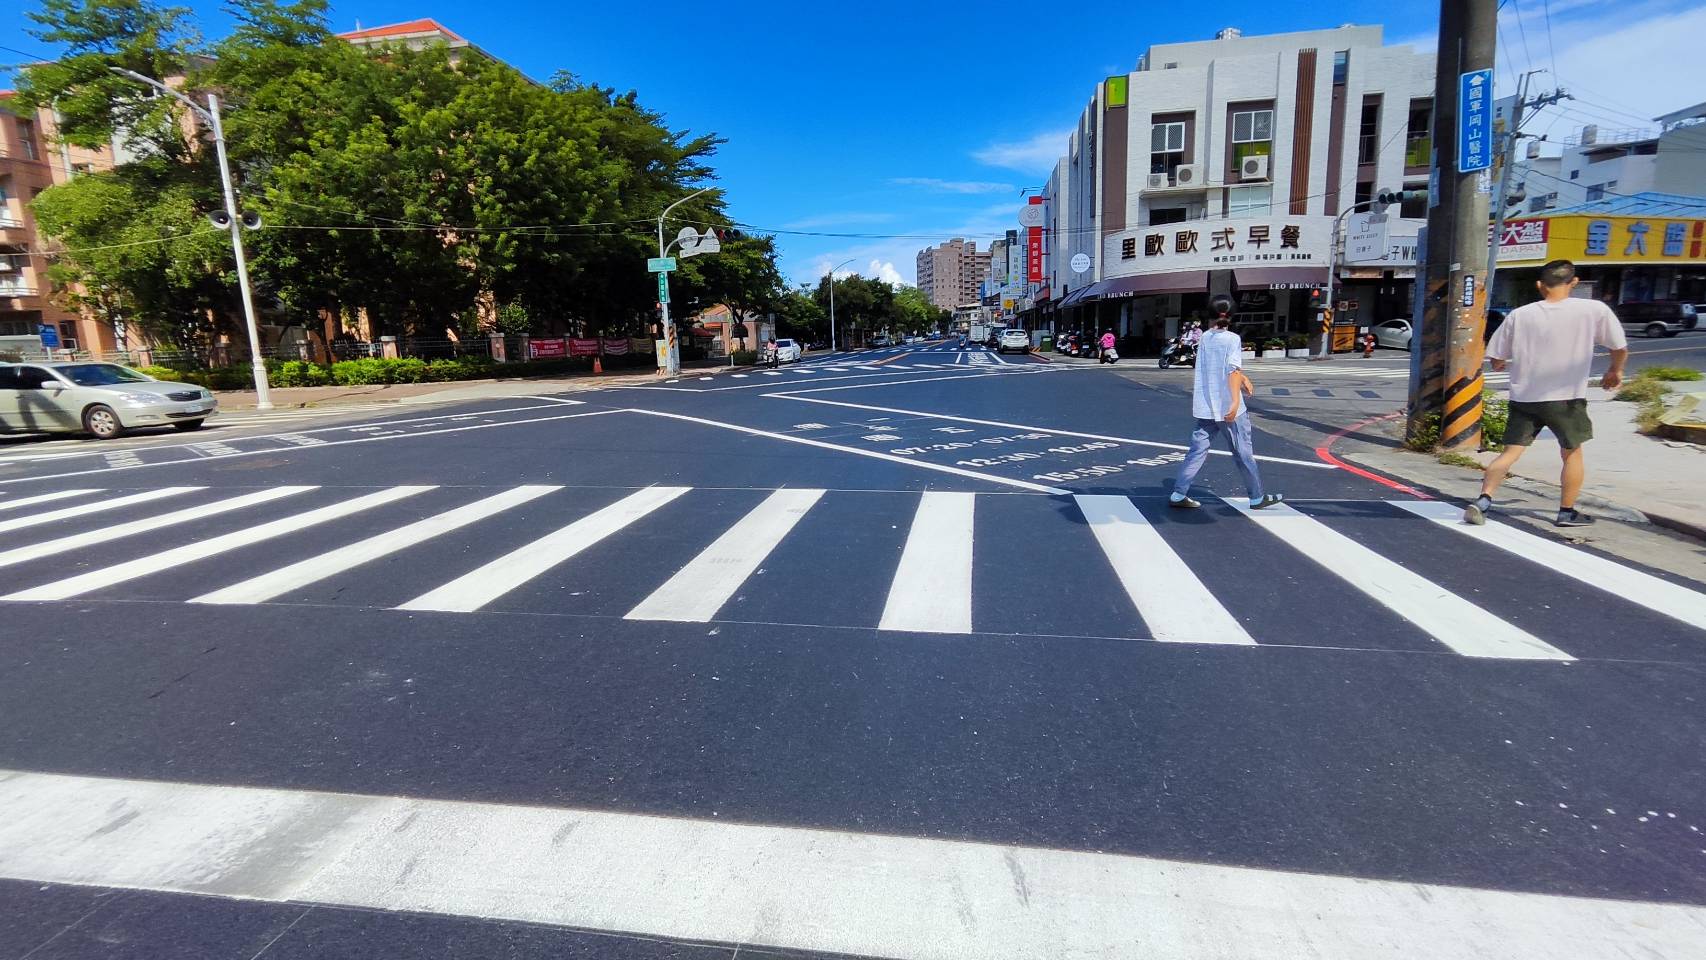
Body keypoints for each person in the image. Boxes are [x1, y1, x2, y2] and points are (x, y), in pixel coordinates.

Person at [1464, 259, 1627, 527]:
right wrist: (1615, 371)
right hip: (1566, 398)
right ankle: (1566, 511)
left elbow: (1496, 359)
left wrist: (1507, 359)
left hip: (1524, 397)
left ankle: (1483, 500)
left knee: (1510, 453)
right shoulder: (1593, 310)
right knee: (1572, 452)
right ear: (1573, 282)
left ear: (1540, 285)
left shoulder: (1520, 314)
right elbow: (1619, 347)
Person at [1168, 297, 1284, 511]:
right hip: (1228, 407)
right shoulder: (1232, 339)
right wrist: (1234, 402)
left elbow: (1221, 368)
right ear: (1232, 316)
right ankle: (1257, 497)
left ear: (1211, 315)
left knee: (1197, 450)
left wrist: (1243, 378)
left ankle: (1178, 492)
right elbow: (1232, 371)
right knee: (1243, 452)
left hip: (1206, 406)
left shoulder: (1204, 338)